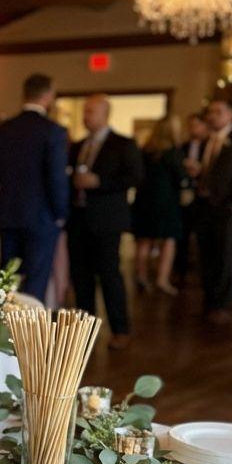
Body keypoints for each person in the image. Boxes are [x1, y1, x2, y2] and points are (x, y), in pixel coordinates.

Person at [66, 94, 143, 349]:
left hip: (107, 220)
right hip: (78, 218)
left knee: (109, 275)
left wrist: (100, 182)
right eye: (85, 111)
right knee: (80, 276)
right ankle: (85, 328)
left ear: (105, 114)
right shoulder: (77, 146)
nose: (86, 116)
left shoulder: (122, 144)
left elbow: (135, 177)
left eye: (91, 112)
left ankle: (120, 328)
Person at [0, 73, 69, 300]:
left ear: (24, 94)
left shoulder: (3, 129)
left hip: (9, 212)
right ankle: (29, 332)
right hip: (41, 216)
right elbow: (56, 178)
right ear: (49, 96)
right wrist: (61, 212)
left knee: (6, 279)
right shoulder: (54, 131)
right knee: (35, 279)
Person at [190, 100, 232, 325]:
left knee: (225, 257)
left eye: (218, 112)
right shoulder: (204, 143)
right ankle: (209, 300)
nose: (213, 116)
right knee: (207, 255)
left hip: (226, 209)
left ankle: (223, 304)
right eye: (210, 112)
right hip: (204, 207)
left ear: (230, 115)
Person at [132, 115, 187, 295]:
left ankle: (141, 276)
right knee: (168, 240)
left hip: (144, 200)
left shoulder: (145, 151)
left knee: (143, 241)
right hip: (166, 202)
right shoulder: (173, 152)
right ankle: (162, 279)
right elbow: (181, 178)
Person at [173, 112, 210, 284]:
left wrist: (200, 170)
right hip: (184, 195)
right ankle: (180, 271)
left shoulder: (210, 146)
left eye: (196, 125)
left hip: (203, 196)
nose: (192, 129)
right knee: (182, 235)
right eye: (190, 125)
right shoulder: (182, 147)